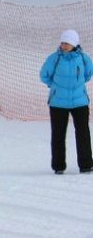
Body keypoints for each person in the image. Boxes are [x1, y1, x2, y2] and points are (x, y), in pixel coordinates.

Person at [40, 28, 93, 175]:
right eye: (62, 42)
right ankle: (58, 166)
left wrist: (78, 86)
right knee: (58, 134)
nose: (64, 46)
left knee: (83, 133)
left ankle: (86, 165)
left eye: (67, 43)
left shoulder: (83, 58)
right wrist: (55, 86)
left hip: (80, 102)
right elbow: (44, 75)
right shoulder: (54, 58)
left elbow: (89, 73)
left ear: (74, 44)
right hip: (58, 103)